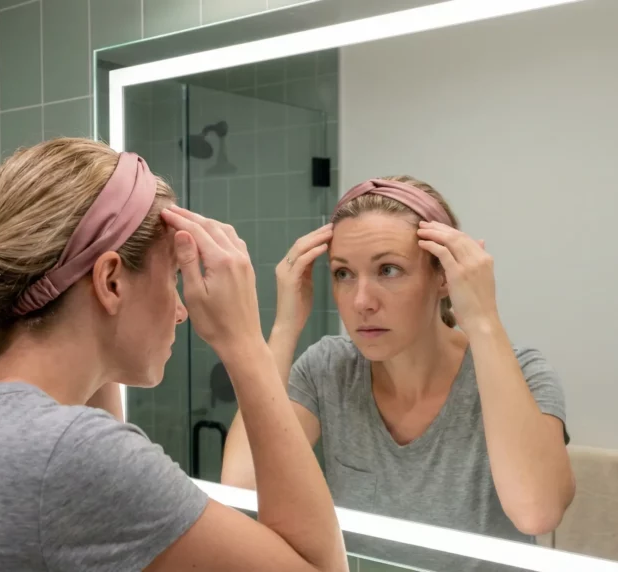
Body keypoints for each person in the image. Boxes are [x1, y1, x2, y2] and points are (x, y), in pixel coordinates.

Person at [0, 138, 347, 572]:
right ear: (110, 280)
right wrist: (244, 344)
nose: (182, 310)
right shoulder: (71, 457)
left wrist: (101, 339)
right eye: (174, 278)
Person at [221, 175, 575, 568]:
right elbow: (241, 488)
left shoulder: (521, 372)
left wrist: (484, 320)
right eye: (343, 273)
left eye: (388, 270)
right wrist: (285, 326)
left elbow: (537, 512)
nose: (361, 301)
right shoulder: (329, 370)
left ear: (444, 276)